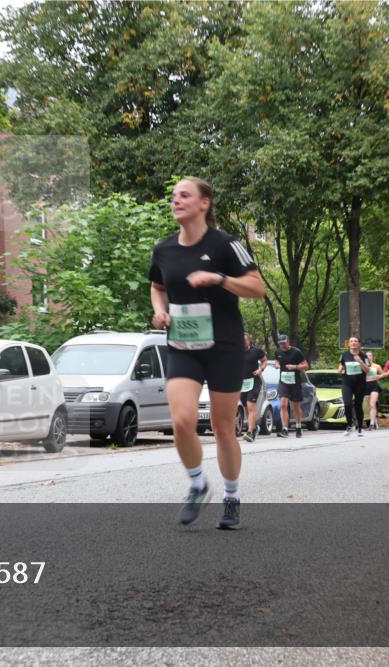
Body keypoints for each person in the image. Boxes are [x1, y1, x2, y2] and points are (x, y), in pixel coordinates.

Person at [149, 177, 264, 530]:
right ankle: (198, 483)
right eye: (173, 196)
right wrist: (160, 310)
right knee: (182, 420)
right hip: (184, 344)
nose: (176, 200)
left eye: (185, 195)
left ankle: (232, 496)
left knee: (223, 427)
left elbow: (257, 287)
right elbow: (157, 287)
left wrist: (219, 280)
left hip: (225, 347)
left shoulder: (226, 245)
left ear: (204, 203)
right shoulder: (164, 249)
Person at [274, 334, 309, 439]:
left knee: (296, 406)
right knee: (283, 404)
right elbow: (277, 360)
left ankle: (298, 426)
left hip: (295, 382)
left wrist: (295, 366)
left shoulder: (296, 352)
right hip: (283, 381)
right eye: (280, 344)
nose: (282, 346)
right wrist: (277, 364)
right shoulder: (278, 352)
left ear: (288, 342)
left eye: (284, 343)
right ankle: (285, 429)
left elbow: (306, 366)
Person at [337, 336, 369, 436]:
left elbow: (367, 370)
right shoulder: (344, 355)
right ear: (349, 344)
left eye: (355, 341)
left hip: (360, 383)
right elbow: (340, 367)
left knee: (358, 405)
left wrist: (360, 361)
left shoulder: (364, 356)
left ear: (358, 344)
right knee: (347, 403)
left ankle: (359, 427)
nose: (353, 343)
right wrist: (340, 370)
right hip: (347, 383)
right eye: (351, 341)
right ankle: (349, 425)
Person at [240, 333, 267, 443]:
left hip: (254, 381)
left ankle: (250, 432)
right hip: (242, 383)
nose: (243, 343)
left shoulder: (256, 351)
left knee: (251, 406)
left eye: (245, 341)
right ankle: (255, 428)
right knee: (246, 407)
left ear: (249, 341)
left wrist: (260, 369)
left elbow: (264, 361)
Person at [365, 351, 384, 430]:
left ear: (372, 357)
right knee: (370, 405)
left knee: (373, 404)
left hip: (374, 385)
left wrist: (379, 376)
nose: (369, 357)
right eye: (367, 356)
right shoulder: (363, 366)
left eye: (370, 355)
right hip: (365, 386)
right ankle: (375, 420)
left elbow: (383, 374)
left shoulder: (376, 366)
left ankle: (372, 424)